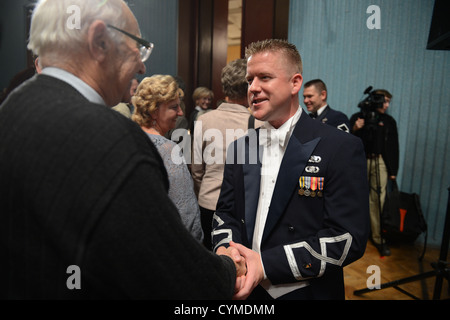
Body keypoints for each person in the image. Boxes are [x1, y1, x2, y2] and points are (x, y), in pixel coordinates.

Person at [0, 0, 249, 299]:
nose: (142, 65)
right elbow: (172, 272)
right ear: (99, 41)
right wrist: (228, 268)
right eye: (138, 47)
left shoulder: (12, 109)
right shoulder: (110, 138)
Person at [212, 39, 370, 300]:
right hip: (244, 290)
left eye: (265, 77)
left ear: (295, 83)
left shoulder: (340, 147)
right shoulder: (241, 146)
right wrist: (227, 252)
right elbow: (226, 213)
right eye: (250, 80)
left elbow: (347, 237)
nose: (253, 88)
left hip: (305, 292)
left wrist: (266, 265)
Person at [191, 59, 263, 249]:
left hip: (209, 202)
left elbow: (197, 171)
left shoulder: (203, 120)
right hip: (244, 208)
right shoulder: (260, 124)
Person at [132, 75, 203, 242]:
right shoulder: (168, 151)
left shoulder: (126, 138)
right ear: (154, 111)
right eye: (174, 107)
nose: (180, 112)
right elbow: (188, 220)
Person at [350, 89, 399, 257]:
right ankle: (355, 233)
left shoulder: (388, 121)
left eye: (387, 102)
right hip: (361, 160)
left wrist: (393, 171)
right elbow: (347, 141)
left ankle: (377, 237)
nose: (386, 105)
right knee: (356, 197)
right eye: (383, 101)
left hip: (380, 162)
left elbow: (393, 146)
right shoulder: (359, 116)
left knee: (378, 199)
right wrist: (355, 129)